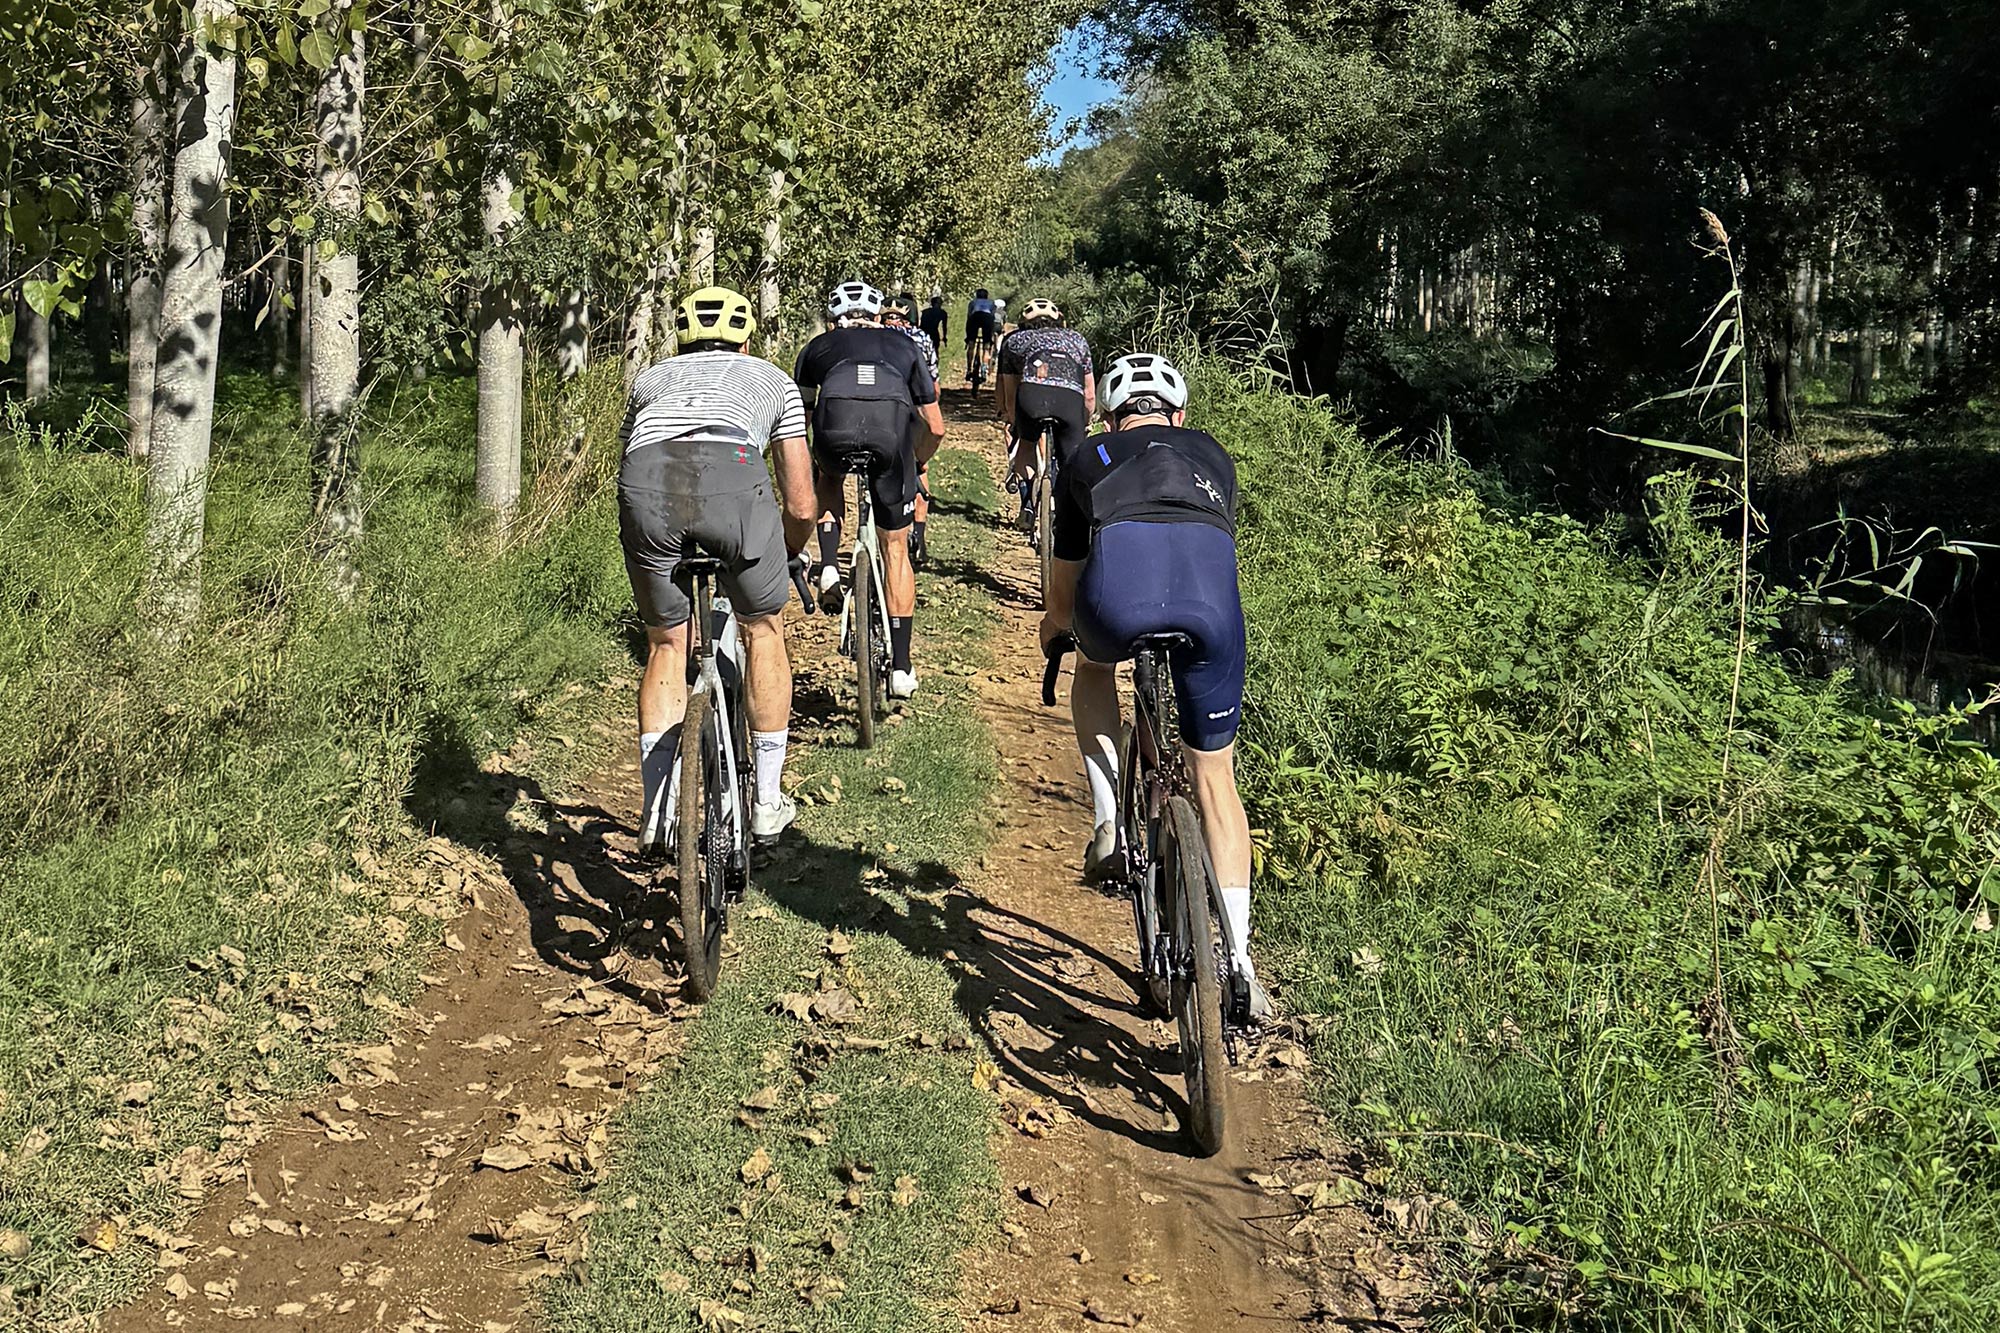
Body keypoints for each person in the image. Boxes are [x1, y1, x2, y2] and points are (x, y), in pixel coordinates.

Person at [1037, 352, 1268, 1020]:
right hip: (1210, 610)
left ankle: (1109, 819)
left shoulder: (1087, 458)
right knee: (1215, 779)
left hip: (1118, 604)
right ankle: (1240, 961)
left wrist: (1056, 628)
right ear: (1180, 415)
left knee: (1092, 664)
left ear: (1109, 416)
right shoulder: (1213, 454)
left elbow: (1064, 580)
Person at [619, 286, 818, 853]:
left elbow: (630, 461)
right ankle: (766, 804)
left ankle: (658, 810)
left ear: (680, 336)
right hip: (732, 477)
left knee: (665, 645)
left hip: (647, 481)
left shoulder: (649, 380)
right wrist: (786, 552)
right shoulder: (774, 379)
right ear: (746, 337)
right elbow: (802, 504)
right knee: (763, 630)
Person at [795, 280, 945, 699]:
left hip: (834, 425)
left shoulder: (816, 349)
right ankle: (901, 667)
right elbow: (934, 426)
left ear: (833, 319)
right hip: (890, 430)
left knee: (829, 476)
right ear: (878, 316)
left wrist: (808, 463)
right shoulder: (905, 347)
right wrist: (917, 460)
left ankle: (827, 564)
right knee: (895, 548)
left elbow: (800, 420)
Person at [996, 297, 1094, 533]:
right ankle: (1070, 517)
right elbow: (1089, 394)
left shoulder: (1015, 341)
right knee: (1071, 463)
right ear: (1059, 320)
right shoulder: (1077, 340)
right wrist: (1087, 421)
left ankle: (1028, 500)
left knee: (1027, 447)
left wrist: (1013, 419)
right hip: (1070, 401)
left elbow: (1010, 393)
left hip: (1031, 397)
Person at [882, 294, 940, 567]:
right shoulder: (922, 339)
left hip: (877, 411)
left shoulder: (873, 335)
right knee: (919, 468)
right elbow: (934, 387)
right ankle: (918, 535)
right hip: (914, 411)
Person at [964, 289, 998, 384]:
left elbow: (969, 316)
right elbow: (993, 317)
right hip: (987, 318)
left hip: (975, 317)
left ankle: (969, 369)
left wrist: (968, 335)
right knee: (986, 346)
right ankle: (984, 368)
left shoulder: (973, 302)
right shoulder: (992, 303)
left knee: (971, 344)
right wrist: (991, 336)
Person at [918, 294, 948, 359]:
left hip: (924, 333)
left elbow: (921, 325)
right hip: (934, 333)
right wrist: (944, 337)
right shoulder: (942, 313)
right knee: (935, 350)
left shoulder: (925, 312)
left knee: (923, 350)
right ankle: (935, 365)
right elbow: (944, 327)